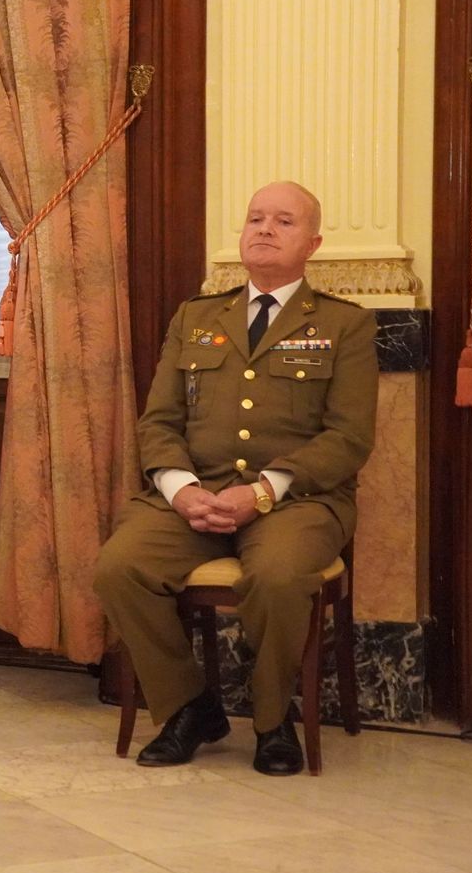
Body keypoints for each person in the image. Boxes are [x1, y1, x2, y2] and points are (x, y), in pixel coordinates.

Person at [93, 182, 377, 776]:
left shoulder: (344, 325)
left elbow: (348, 438)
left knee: (278, 575)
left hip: (297, 501)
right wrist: (180, 489)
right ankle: (190, 707)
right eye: (255, 218)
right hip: (196, 495)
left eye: (284, 221)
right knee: (120, 567)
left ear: (313, 244)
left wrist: (264, 490)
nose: (265, 229)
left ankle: (273, 721)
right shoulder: (196, 317)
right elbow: (159, 421)